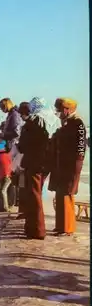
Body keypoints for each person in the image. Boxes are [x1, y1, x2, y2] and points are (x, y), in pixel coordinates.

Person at [48, 98, 87, 236]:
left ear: (67, 109)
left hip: (70, 165)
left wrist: (77, 165)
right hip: (60, 165)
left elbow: (81, 147)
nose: (57, 112)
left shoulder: (78, 123)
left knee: (67, 194)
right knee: (59, 194)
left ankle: (68, 228)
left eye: (59, 109)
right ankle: (60, 226)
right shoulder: (65, 124)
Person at [17, 100, 49, 239]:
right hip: (39, 164)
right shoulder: (40, 123)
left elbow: (24, 146)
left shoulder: (29, 126)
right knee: (33, 196)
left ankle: (37, 230)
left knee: (33, 197)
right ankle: (32, 229)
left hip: (33, 164)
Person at [0, 98, 24, 209]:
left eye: (2, 107)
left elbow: (16, 132)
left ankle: (13, 200)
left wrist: (3, 135)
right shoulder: (12, 114)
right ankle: (12, 200)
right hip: (12, 146)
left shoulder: (14, 115)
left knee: (13, 174)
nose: (1, 110)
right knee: (12, 175)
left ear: (6, 105)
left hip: (13, 146)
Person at [0, 140, 12, 212]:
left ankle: (5, 207)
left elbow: (1, 167)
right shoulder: (6, 155)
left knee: (3, 191)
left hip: (5, 175)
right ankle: (3, 206)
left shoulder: (0, 156)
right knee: (2, 191)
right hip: (5, 175)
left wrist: (4, 175)